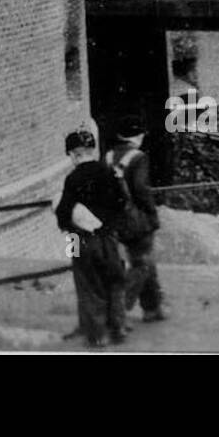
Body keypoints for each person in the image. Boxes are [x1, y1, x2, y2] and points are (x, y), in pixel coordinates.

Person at [55, 128, 129, 348]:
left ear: (75, 154)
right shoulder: (109, 172)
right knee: (114, 281)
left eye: (70, 155)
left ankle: (97, 334)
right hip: (109, 237)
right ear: (91, 149)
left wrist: (66, 227)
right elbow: (121, 204)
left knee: (86, 283)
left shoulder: (72, 178)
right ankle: (118, 328)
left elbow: (65, 213)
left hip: (79, 239)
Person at [104, 116, 164, 322]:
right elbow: (141, 189)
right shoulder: (138, 157)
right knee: (142, 264)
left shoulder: (108, 156)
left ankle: (153, 308)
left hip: (113, 220)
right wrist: (151, 214)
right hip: (136, 220)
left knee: (145, 261)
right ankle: (116, 308)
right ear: (137, 136)